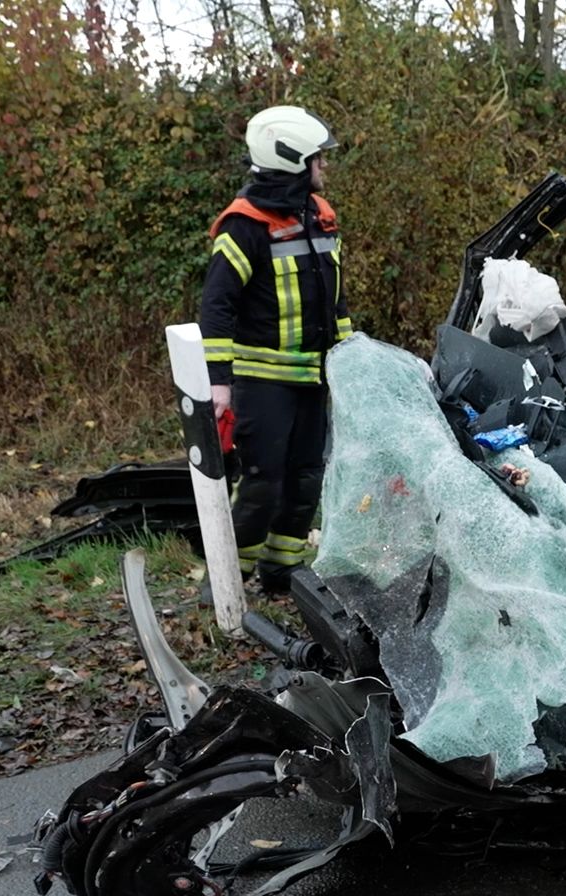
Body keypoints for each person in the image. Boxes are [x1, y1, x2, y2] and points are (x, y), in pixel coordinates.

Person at [199, 105, 352, 592]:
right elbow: (216, 306)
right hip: (262, 382)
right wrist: (218, 381)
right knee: (263, 484)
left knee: (307, 481)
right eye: (317, 159)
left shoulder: (320, 216)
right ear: (291, 160)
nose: (324, 167)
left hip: (315, 378)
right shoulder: (244, 226)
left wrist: (350, 361)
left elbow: (336, 298)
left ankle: (280, 572)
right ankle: (225, 583)